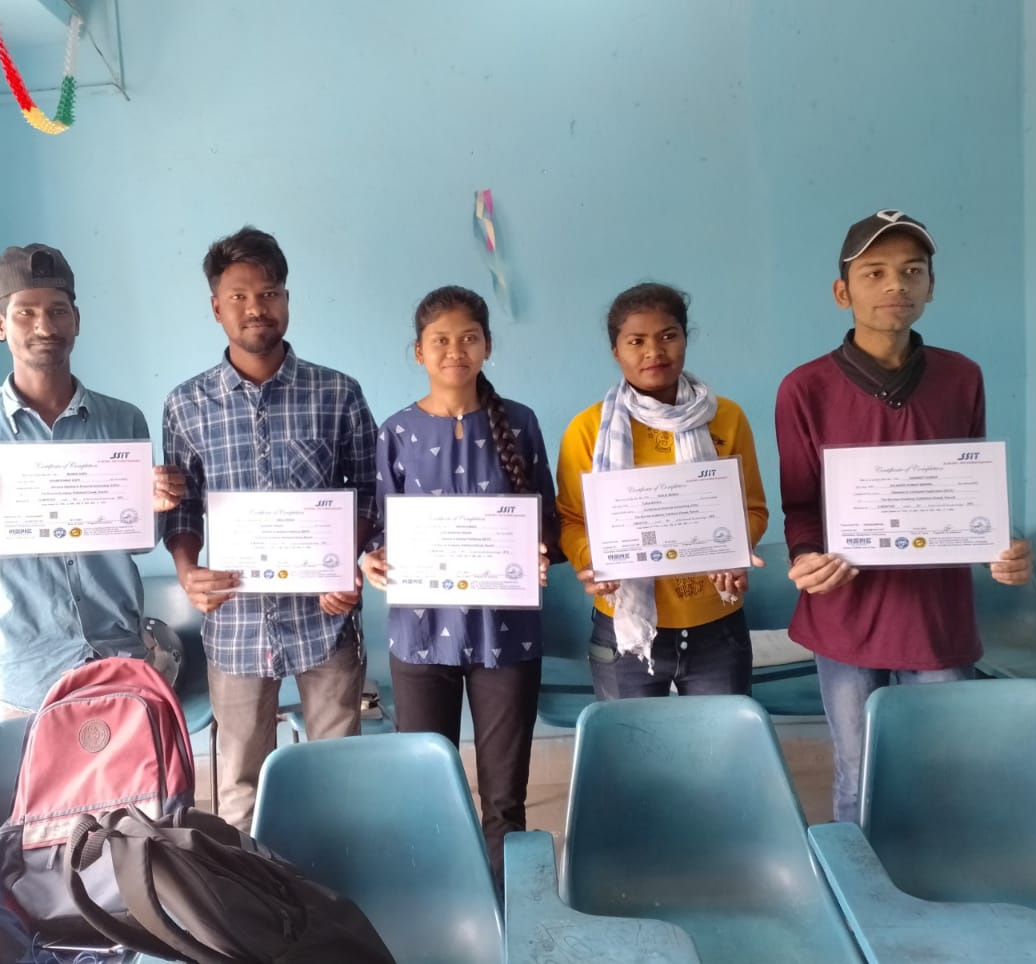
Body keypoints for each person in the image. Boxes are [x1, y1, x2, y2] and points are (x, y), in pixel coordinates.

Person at [775, 209, 1034, 824]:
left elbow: (969, 493)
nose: (896, 283)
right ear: (842, 293)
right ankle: (858, 878)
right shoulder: (804, 388)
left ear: (931, 287)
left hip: (936, 614)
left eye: (912, 271)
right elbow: (801, 505)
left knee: (946, 770)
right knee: (857, 770)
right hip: (845, 612)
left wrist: (1002, 546)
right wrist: (806, 556)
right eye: (875, 272)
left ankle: (938, 877)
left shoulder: (961, 377)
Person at [162, 226, 377, 832]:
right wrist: (188, 572)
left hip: (325, 619)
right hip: (236, 623)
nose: (256, 307)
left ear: (286, 298)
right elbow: (182, 508)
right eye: (239, 296)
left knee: (338, 780)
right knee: (239, 787)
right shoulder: (186, 405)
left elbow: (368, 492)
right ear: (216, 307)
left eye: (269, 293)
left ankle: (337, 881)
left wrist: (346, 565)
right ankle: (250, 890)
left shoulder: (337, 393)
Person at [0, 244, 186, 721]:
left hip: (117, 659)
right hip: (22, 674)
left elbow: (139, 542)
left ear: (76, 321)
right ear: (0, 325)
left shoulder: (122, 420)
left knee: (128, 773)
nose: (44, 326)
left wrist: (157, 506)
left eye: (58, 311)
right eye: (25, 313)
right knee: (24, 775)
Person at [361, 285, 558, 887]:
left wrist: (540, 550)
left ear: (488, 346)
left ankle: (509, 903)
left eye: (469, 338)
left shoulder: (520, 422)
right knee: (425, 784)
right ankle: (438, 899)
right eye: (440, 340)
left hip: (508, 634)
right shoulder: (396, 431)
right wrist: (371, 559)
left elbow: (546, 519)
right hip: (420, 636)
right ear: (418, 351)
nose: (455, 351)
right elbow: (380, 526)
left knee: (505, 797)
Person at [556, 282, 768, 699]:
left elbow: (754, 509)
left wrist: (732, 550)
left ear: (686, 339)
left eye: (668, 336)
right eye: (636, 341)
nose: (654, 351)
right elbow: (572, 520)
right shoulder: (588, 430)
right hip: (623, 625)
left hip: (716, 622)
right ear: (616, 351)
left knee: (721, 737)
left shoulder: (727, 418)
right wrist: (594, 560)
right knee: (629, 738)